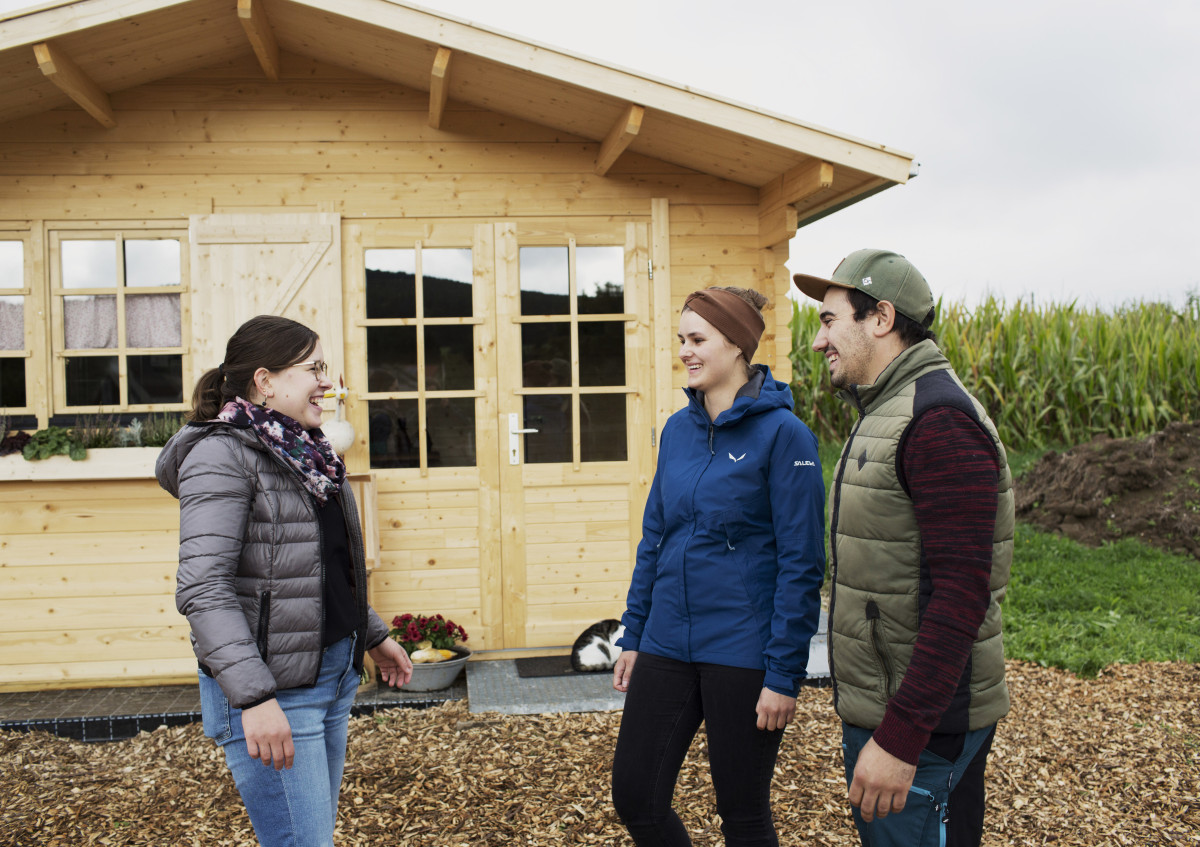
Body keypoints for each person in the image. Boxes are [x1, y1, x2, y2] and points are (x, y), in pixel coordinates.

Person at [155, 315, 413, 847]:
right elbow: (203, 589)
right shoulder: (220, 456)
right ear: (266, 381)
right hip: (276, 692)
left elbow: (318, 569)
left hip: (332, 677)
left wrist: (372, 634)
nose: (328, 382)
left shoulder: (308, 451)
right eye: (315, 368)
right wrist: (254, 699)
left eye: (327, 368)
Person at [792, 249, 1014, 847]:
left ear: (881, 318)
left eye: (829, 319)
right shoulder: (889, 407)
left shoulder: (936, 419)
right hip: (895, 713)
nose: (819, 341)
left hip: (919, 726)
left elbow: (962, 595)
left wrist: (902, 737)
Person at [610, 286, 826, 846]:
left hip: (742, 650)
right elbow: (655, 535)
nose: (685, 350)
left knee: (743, 811)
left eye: (698, 339)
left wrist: (784, 673)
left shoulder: (786, 436)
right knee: (635, 794)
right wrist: (634, 631)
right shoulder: (678, 431)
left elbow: (802, 564)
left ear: (737, 345)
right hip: (666, 641)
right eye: (681, 339)